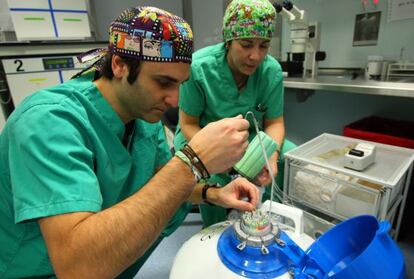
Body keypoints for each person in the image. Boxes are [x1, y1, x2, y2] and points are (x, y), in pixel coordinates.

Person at [0, 6, 259, 278]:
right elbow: (78, 267)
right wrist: (193, 162)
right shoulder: (49, 123)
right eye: (163, 82)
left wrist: (211, 193)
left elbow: (157, 179)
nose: (175, 100)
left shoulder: (143, 115)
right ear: (119, 65)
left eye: (180, 84)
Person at [174, 0, 296, 227]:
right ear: (229, 40)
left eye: (264, 46)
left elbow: (275, 123)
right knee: (214, 176)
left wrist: (271, 157)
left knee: (290, 157)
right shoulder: (199, 67)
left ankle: (264, 220)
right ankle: (217, 229)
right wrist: (225, 160)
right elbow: (188, 124)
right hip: (202, 135)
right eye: (247, 44)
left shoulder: (271, 71)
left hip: (246, 137)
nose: (256, 56)